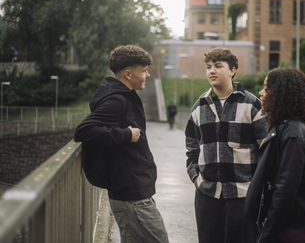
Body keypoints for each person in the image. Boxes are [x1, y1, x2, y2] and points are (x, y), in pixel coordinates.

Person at [74, 45, 169, 243]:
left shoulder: (124, 96)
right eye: (144, 71)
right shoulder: (117, 100)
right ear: (128, 73)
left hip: (134, 191)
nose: (148, 75)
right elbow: (84, 131)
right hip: (131, 195)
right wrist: (125, 134)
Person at [185, 48, 267, 243]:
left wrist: (258, 187)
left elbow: (266, 149)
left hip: (242, 196)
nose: (211, 71)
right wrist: (196, 177)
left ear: (232, 70)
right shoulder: (199, 107)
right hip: (207, 197)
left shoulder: (252, 104)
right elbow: (192, 149)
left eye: (218, 66)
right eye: (208, 67)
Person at [245, 68, 305, 243]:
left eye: (266, 88)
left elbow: (285, 189)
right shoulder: (284, 128)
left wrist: (267, 234)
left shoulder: (293, 134)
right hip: (289, 223)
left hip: (295, 225)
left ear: (281, 95)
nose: (261, 92)